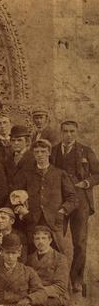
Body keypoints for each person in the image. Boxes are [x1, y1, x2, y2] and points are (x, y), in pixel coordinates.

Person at [51, 120, 99, 292]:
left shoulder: (85, 151)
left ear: (76, 133)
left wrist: (86, 183)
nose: (68, 134)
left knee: (79, 241)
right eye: (65, 131)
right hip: (60, 201)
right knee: (55, 238)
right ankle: (57, 279)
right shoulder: (54, 151)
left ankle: (76, 279)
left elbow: (97, 174)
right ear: (61, 132)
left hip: (80, 202)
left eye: (72, 131)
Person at [12, 139, 77, 258]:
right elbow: (15, 195)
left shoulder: (59, 173)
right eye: (37, 152)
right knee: (33, 254)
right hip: (32, 219)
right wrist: (22, 210)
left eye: (43, 151)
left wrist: (62, 211)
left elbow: (73, 198)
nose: (40, 155)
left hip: (54, 221)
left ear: (49, 153)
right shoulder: (27, 174)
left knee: (58, 254)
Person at [25, 226, 70, 306]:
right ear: (33, 241)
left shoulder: (60, 259)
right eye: (37, 238)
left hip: (56, 297)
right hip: (34, 295)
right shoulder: (29, 259)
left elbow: (60, 287)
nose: (40, 241)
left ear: (50, 240)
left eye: (44, 238)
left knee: (38, 304)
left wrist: (38, 293)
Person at [5, 124, 35, 191]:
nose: (16, 143)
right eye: (13, 140)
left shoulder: (33, 159)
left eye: (19, 140)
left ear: (27, 142)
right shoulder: (8, 159)